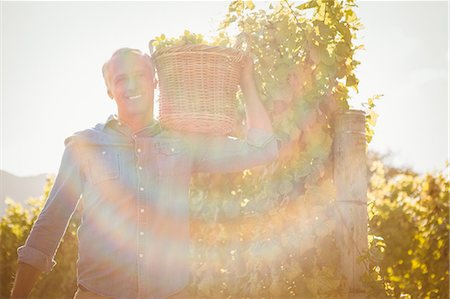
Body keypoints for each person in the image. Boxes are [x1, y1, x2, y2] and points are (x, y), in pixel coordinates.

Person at [11, 48, 278, 299]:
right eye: (121, 79)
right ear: (109, 90)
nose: (132, 85)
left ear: (155, 82)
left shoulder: (184, 143)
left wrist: (245, 80)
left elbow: (262, 149)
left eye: (140, 75)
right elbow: (50, 225)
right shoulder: (84, 146)